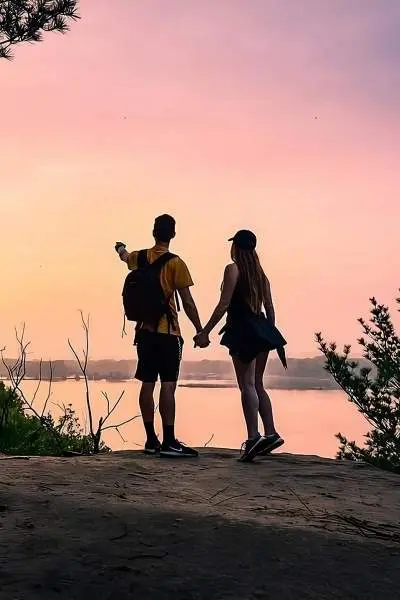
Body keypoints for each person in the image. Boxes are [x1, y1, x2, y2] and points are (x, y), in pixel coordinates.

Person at [115, 214, 203, 458]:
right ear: (172, 234)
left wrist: (120, 248)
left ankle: (150, 439)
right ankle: (169, 440)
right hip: (168, 332)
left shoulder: (139, 258)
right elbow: (187, 302)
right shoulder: (176, 263)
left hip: (143, 332)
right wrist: (200, 331)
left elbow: (125, 257)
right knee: (167, 385)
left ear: (154, 232)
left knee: (147, 383)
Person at [194, 230, 287, 462]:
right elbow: (270, 308)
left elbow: (224, 304)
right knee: (257, 383)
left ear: (235, 247)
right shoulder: (261, 275)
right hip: (262, 329)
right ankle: (271, 432)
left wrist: (205, 331)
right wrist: (267, 333)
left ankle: (253, 436)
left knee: (246, 385)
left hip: (242, 329)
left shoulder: (233, 269)